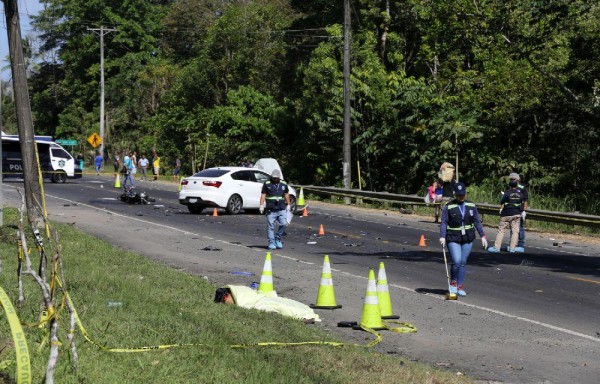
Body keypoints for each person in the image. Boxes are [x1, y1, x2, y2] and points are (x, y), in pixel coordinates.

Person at [439, 182, 488, 296]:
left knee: (462, 262)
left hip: (468, 237)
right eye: (458, 195)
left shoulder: (471, 205)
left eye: (462, 195)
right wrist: (442, 236)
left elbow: (476, 221)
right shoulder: (449, 206)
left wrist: (483, 236)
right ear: (455, 195)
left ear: (465, 194)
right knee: (456, 261)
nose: (461, 197)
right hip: (453, 237)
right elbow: (444, 222)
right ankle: (453, 283)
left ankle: (460, 286)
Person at [214, 285, 320, 323]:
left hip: (259, 299)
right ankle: (300, 316)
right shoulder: (233, 292)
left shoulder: (237, 292)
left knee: (278, 305)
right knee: (276, 306)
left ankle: (301, 316)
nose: (225, 302)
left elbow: (248, 298)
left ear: (228, 294)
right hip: (259, 300)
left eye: (224, 299)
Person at [487, 177, 525, 253]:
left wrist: (501, 208)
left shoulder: (507, 193)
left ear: (509, 185)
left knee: (501, 230)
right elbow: (522, 203)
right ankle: (512, 248)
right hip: (516, 214)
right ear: (517, 185)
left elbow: (502, 202)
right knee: (515, 232)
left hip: (506, 214)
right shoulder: (521, 194)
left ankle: (496, 248)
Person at [259, 169, 291, 250]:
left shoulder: (283, 183)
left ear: (279, 177)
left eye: (277, 178)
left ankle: (278, 238)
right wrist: (261, 205)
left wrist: (288, 204)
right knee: (271, 227)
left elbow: (286, 194)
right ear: (272, 177)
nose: (275, 179)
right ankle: (271, 242)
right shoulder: (267, 183)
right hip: (271, 209)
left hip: (281, 208)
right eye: (274, 178)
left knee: (284, 224)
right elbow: (263, 195)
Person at [508, 172, 528, 252]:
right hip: (511, 210)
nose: (512, 180)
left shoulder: (522, 188)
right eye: (511, 179)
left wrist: (524, 211)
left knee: (520, 228)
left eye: (514, 179)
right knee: (512, 228)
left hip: (520, 210)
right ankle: (512, 244)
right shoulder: (510, 187)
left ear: (518, 179)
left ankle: (521, 244)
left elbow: (526, 200)